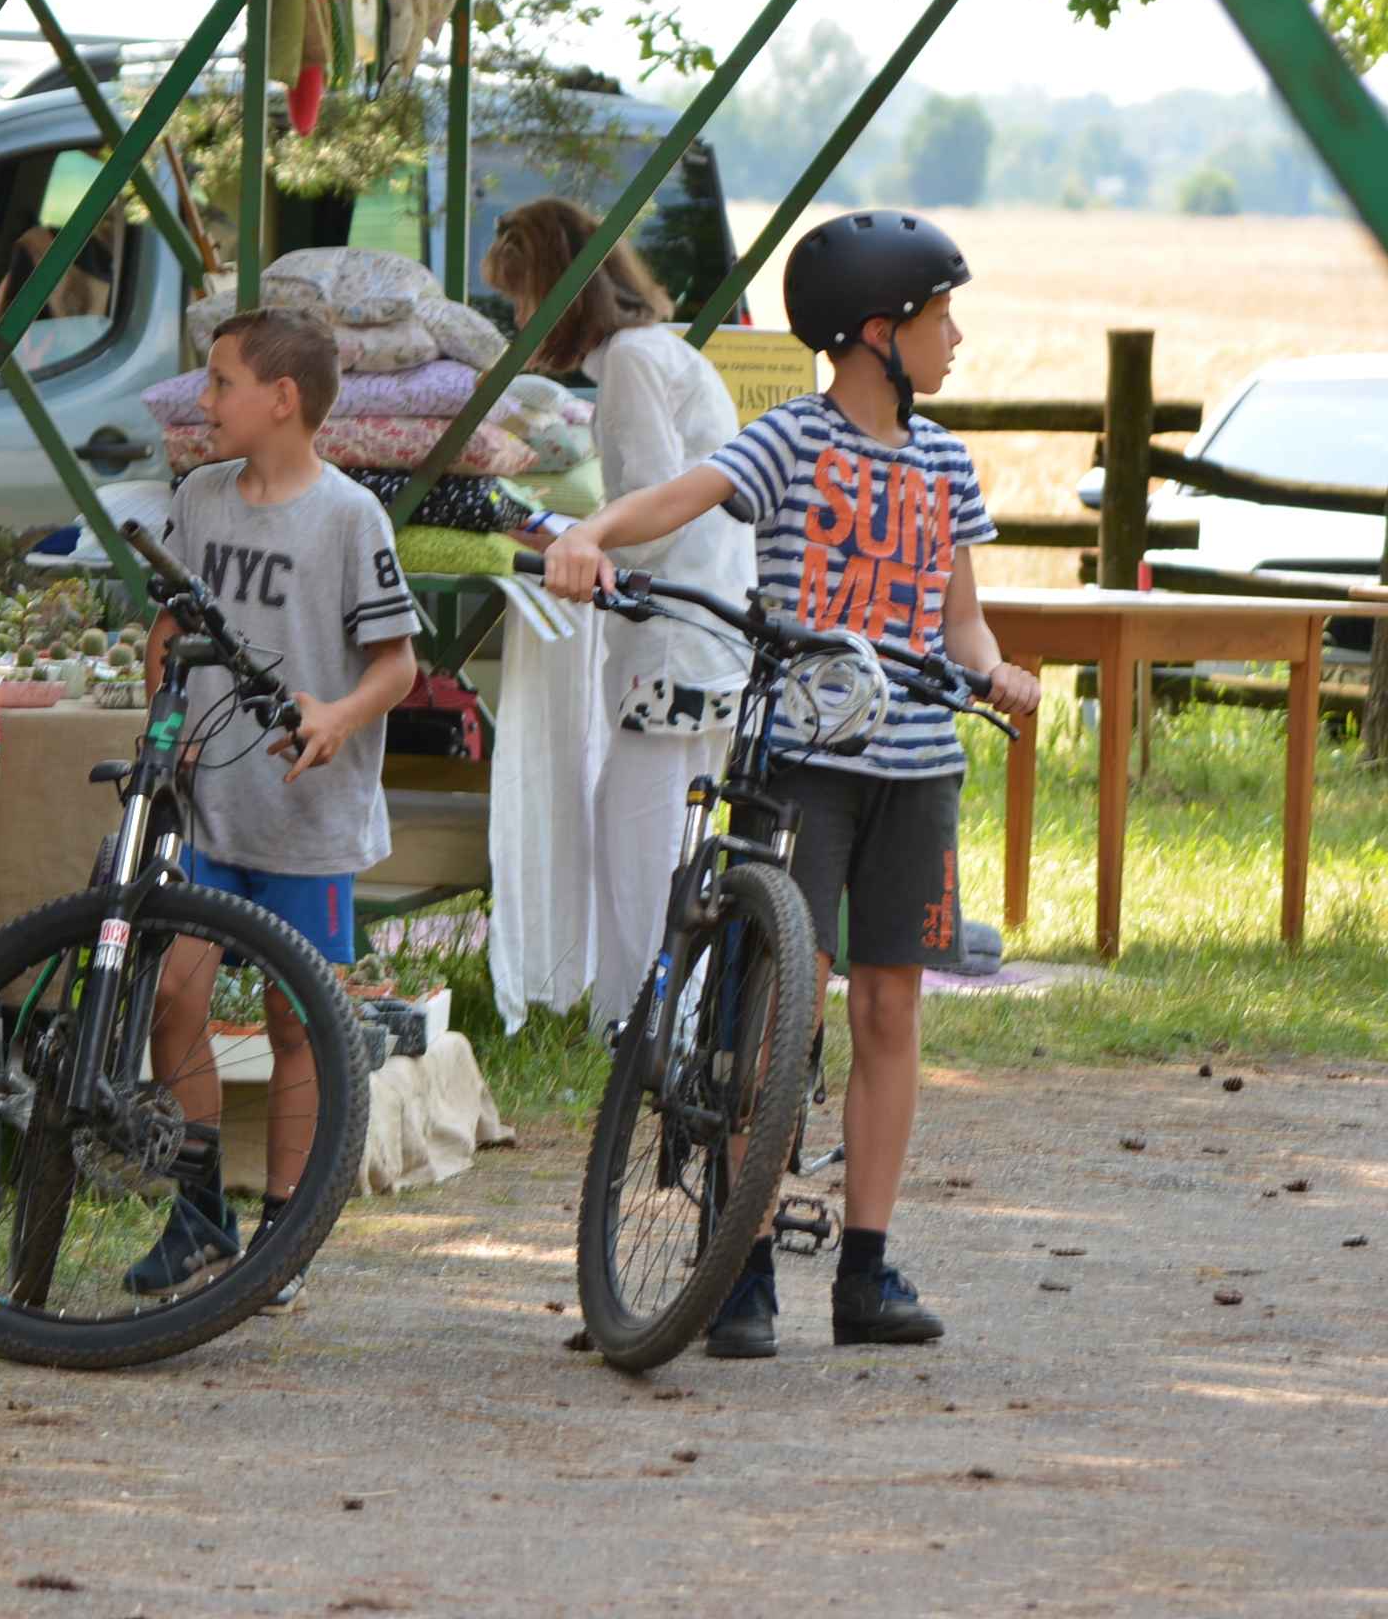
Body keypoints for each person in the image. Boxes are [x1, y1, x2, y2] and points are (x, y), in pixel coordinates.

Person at [542, 211, 1043, 1358]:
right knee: (774, 1016)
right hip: (804, 764)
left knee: (889, 1007)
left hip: (916, 769)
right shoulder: (790, 440)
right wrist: (591, 533)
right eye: (939, 316)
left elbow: (958, 617)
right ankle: (742, 1262)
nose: (955, 337)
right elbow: (678, 494)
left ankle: (864, 1269)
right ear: (876, 332)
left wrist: (996, 669)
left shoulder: (946, 462)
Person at [125, 307, 420, 1310]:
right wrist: (163, 726)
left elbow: (398, 662)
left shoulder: (348, 517)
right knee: (174, 995)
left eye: (218, 383)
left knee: (298, 1022)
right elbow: (168, 625)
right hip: (206, 808)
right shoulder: (199, 498)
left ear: (281, 399)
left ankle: (283, 1232)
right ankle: (198, 1212)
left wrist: (336, 715)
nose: (201, 402)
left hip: (305, 814)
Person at [483, 199, 755, 1026]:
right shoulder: (652, 355)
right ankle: (668, 1021)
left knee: (640, 841)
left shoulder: (635, 365)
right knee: (669, 837)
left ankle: (643, 1027)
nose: (519, 318)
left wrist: (558, 535)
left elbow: (649, 515)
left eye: (522, 297)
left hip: (671, 640)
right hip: (706, 631)